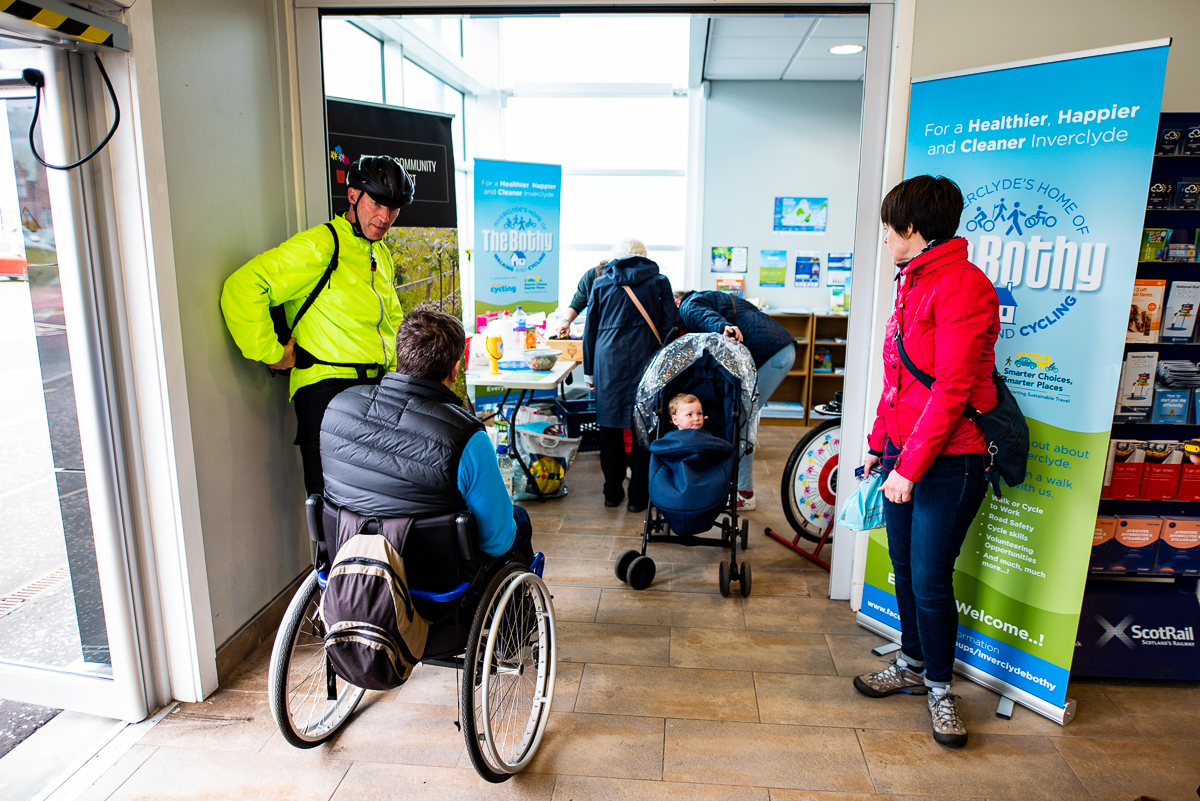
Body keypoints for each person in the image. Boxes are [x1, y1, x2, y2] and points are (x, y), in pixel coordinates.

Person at [854, 174, 1000, 750]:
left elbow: (952, 389)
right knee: (907, 571)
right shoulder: (911, 281)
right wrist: (875, 443)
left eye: (890, 228)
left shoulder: (962, 285)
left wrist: (909, 469)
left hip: (950, 460)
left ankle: (941, 690)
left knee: (932, 579)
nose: (885, 237)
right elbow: (898, 380)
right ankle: (911, 665)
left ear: (913, 229)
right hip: (902, 452)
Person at [221, 156, 413, 497]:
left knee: (379, 502)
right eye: (377, 204)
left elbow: (391, 323)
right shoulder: (322, 244)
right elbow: (244, 286)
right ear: (353, 196)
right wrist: (271, 352)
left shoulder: (378, 253)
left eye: (394, 209)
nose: (385, 218)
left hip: (376, 390)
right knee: (335, 505)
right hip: (328, 391)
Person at [319, 309, 533, 563]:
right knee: (518, 519)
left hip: (349, 557)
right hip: (434, 577)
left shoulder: (337, 408)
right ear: (454, 370)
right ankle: (523, 602)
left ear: (401, 356)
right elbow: (497, 542)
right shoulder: (466, 436)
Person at [583, 238, 681, 512]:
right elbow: (671, 326)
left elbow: (590, 330)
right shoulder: (659, 281)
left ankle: (611, 494)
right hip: (646, 362)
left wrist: (589, 372)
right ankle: (638, 498)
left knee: (609, 429)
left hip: (608, 365)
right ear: (644, 256)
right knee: (644, 431)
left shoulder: (601, 283)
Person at [676, 289, 796, 510]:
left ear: (676, 301)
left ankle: (743, 493)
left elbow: (704, 316)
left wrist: (723, 329)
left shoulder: (688, 303)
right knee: (744, 418)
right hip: (778, 349)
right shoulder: (711, 295)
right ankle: (740, 488)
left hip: (769, 354)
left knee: (741, 421)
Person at [555, 260, 608, 337]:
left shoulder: (627, 279)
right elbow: (576, 305)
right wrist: (566, 322)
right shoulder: (592, 276)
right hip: (596, 335)